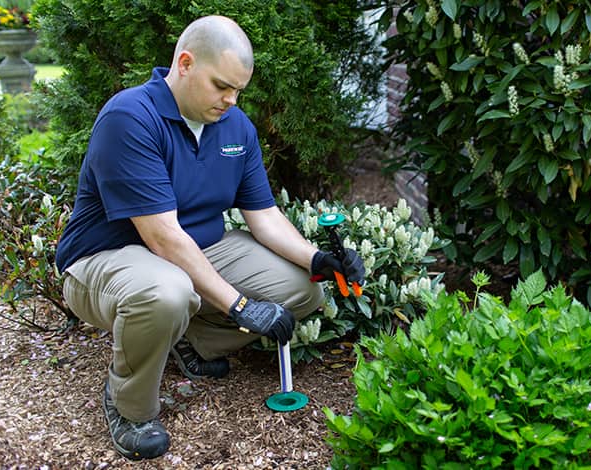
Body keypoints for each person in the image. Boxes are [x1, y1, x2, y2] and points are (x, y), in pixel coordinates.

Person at [54, 15, 364, 461]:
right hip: (108, 259)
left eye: (239, 90)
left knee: (300, 291)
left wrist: (317, 260)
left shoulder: (235, 128)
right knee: (166, 292)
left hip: (197, 249)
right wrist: (240, 306)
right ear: (184, 63)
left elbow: (264, 216)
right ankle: (129, 406)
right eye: (222, 86)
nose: (231, 100)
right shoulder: (129, 118)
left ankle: (188, 340)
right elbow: (162, 239)